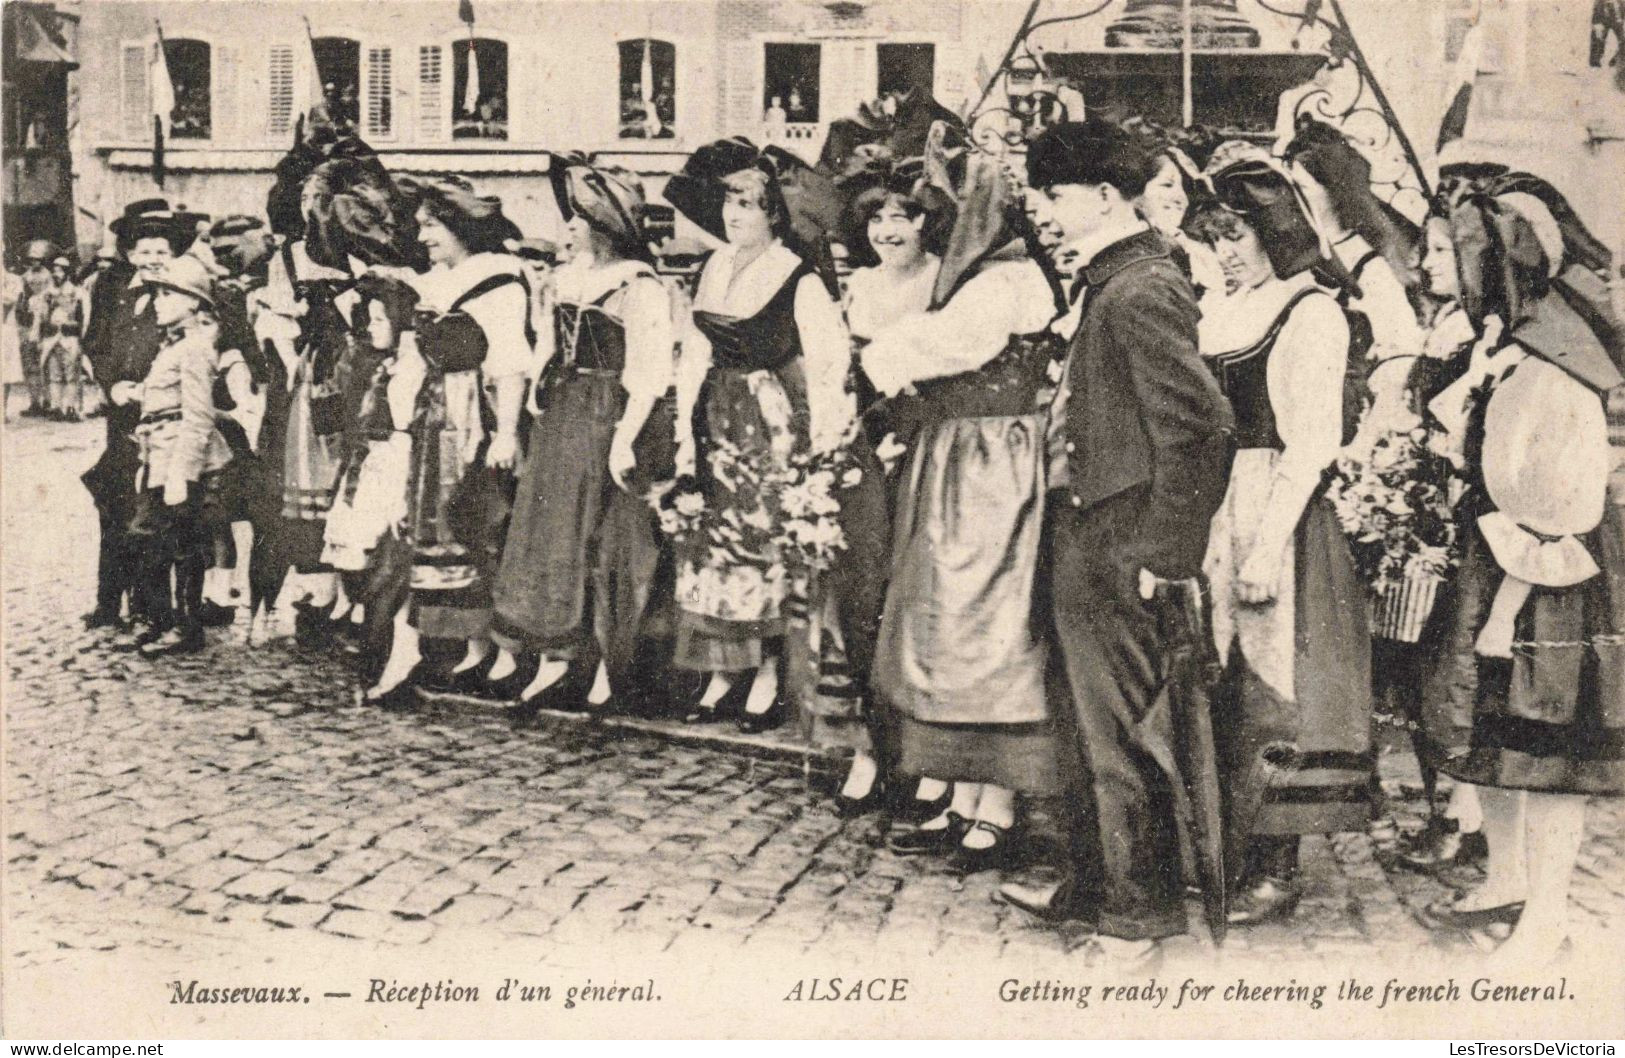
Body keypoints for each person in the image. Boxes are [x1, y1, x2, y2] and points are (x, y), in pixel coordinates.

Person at [997, 120, 1235, 966]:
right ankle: (1100, 901)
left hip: (1120, 544)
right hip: (1089, 532)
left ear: (1103, 196)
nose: (1046, 212)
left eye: (1057, 196)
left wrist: (1165, 557)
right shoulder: (1114, 281)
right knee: (1085, 735)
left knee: (1123, 741)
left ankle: (1135, 927)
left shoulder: (1139, 289)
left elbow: (1203, 432)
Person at [1417, 176, 1623, 966]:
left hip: (1547, 577)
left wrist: (1504, 608)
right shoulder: (1508, 346)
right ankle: (1505, 877)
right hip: (1499, 554)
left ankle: (1546, 921)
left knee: (1545, 759)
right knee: (1489, 743)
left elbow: (1556, 507)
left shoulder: (1553, 364)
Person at [858, 146, 1065, 872]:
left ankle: (997, 801)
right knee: (948, 615)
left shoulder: (1004, 282)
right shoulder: (987, 277)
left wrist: (880, 354)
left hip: (991, 461)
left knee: (984, 617)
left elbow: (943, 345)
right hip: (964, 454)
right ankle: (961, 791)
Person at [1185, 149, 1374, 927]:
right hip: (1215, 504)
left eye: (1237, 234)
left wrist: (1265, 546)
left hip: (1274, 509)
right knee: (1219, 674)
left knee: (1276, 683)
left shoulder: (1309, 311)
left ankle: (1276, 863)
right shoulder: (1224, 308)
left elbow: (1311, 443)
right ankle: (1227, 843)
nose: (1225, 250)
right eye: (1215, 236)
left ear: (1275, 230)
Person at [660, 138, 852, 733]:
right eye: (728, 205)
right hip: (716, 415)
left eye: (747, 206)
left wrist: (822, 450)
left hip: (769, 425)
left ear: (774, 214)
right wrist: (684, 427)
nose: (733, 216)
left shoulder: (798, 277)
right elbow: (695, 350)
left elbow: (828, 364)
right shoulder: (714, 267)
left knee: (762, 542)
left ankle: (767, 672)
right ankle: (723, 670)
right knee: (710, 542)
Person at [491, 160, 676, 717]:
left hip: (607, 414)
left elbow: (648, 369)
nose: (568, 227)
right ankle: (553, 658)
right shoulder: (566, 279)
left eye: (576, 218)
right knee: (550, 532)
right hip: (564, 412)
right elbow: (548, 339)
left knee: (598, 537)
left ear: (602, 224)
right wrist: (536, 395)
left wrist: (626, 437)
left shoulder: (639, 285)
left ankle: (600, 665)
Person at [365, 180, 530, 706]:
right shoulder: (436, 283)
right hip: (434, 418)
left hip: (475, 417)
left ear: (460, 227)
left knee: (480, 525)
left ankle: (500, 652)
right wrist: (400, 420)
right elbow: (413, 359)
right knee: (437, 527)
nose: (423, 235)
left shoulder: (499, 281)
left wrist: (505, 432)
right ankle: (469, 648)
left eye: (432, 225)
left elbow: (509, 364)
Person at [824, 147, 948, 817]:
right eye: (877, 217)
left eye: (903, 215)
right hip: (866, 448)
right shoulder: (860, 286)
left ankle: (930, 760)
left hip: (928, 445)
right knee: (861, 595)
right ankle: (871, 751)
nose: (889, 230)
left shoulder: (944, 281)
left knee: (921, 599)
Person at [82, 200, 205, 638]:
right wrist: (113, 384)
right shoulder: (116, 291)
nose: (154, 260)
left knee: (158, 513)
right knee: (117, 505)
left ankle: (162, 612)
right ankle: (112, 601)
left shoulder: (181, 299)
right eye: (145, 251)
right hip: (123, 417)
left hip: (165, 420)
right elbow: (96, 344)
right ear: (131, 253)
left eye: (162, 252)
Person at [121, 253, 235, 656]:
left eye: (168, 294)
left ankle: (186, 629)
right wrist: (135, 393)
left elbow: (199, 416)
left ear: (192, 303)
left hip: (182, 461)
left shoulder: (196, 348)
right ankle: (161, 620)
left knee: (182, 543)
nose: (158, 302)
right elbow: (165, 400)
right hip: (159, 455)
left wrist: (180, 474)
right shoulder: (173, 346)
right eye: (157, 293)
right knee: (149, 539)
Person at [36, 255, 86, 421]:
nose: (57, 274)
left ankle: (70, 407)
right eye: (55, 271)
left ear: (67, 273)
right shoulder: (48, 294)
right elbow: (41, 317)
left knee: (71, 375)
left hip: (69, 338)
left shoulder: (77, 293)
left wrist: (81, 336)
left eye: (61, 271)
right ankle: (56, 407)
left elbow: (83, 318)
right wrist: (40, 335)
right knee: (54, 375)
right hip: (51, 338)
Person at [15, 239, 56, 417]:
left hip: (44, 317)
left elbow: (52, 295)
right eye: (32, 259)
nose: (35, 262)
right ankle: (34, 401)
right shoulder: (26, 276)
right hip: (29, 319)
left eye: (38, 259)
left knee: (45, 362)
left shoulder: (49, 276)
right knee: (30, 364)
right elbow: (22, 294)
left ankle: (48, 400)